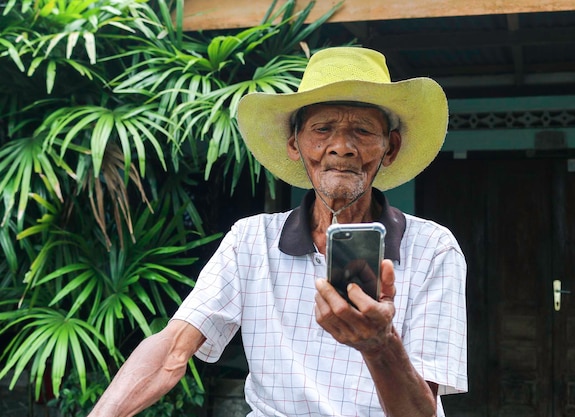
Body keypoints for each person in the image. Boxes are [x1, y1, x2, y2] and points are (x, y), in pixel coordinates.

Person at [88, 46, 467, 417]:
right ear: (294, 144)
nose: (341, 147)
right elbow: (172, 350)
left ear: (390, 147)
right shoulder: (250, 241)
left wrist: (380, 347)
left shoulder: (433, 248)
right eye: (322, 129)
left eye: (363, 130)